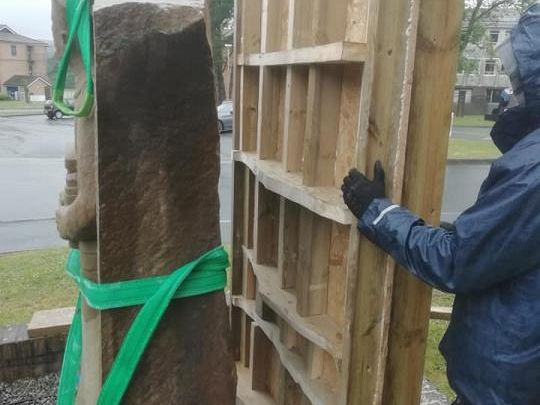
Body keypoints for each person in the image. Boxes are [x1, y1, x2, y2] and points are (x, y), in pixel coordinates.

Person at [341, 5, 540, 405]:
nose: (510, 84)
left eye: (519, 74)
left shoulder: (535, 170)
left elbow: (459, 262)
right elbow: (510, 247)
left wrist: (377, 212)